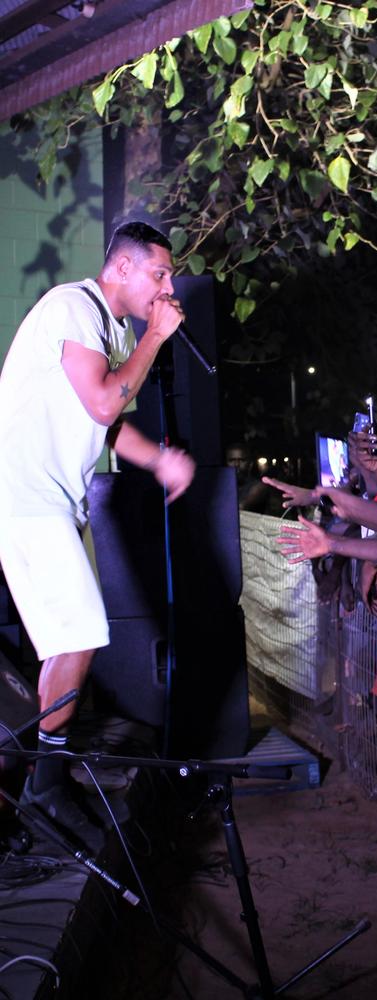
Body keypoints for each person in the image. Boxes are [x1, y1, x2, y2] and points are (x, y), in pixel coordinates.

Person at [0, 221, 196, 850]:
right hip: (24, 497)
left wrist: (159, 461)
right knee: (81, 631)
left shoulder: (111, 331)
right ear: (122, 269)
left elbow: (111, 427)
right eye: (159, 274)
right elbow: (107, 403)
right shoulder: (71, 307)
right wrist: (158, 340)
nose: (168, 287)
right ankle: (44, 787)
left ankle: (46, 781)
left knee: (68, 640)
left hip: (51, 502)